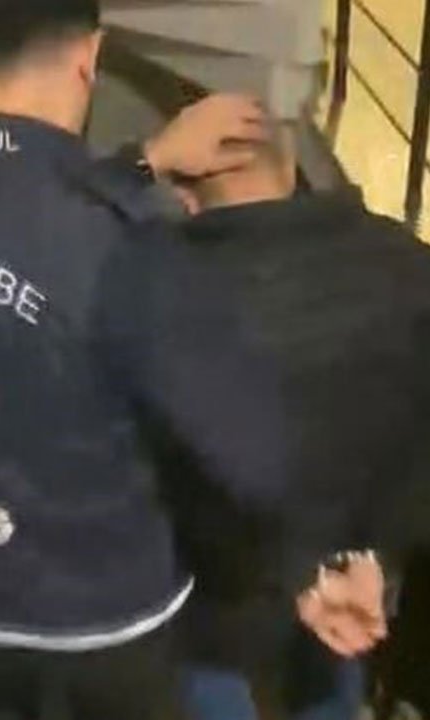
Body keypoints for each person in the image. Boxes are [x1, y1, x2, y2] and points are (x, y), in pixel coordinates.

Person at [0, 1, 380, 717]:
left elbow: (18, 217)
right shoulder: (130, 252)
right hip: (101, 634)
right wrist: (322, 566)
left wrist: (145, 161)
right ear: (90, 57)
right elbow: (250, 458)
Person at [163, 124, 430, 720]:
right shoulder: (400, 260)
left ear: (187, 199)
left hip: (228, 580)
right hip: (349, 552)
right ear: (288, 177)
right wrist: (374, 552)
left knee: (207, 664)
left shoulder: (171, 289)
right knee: (334, 659)